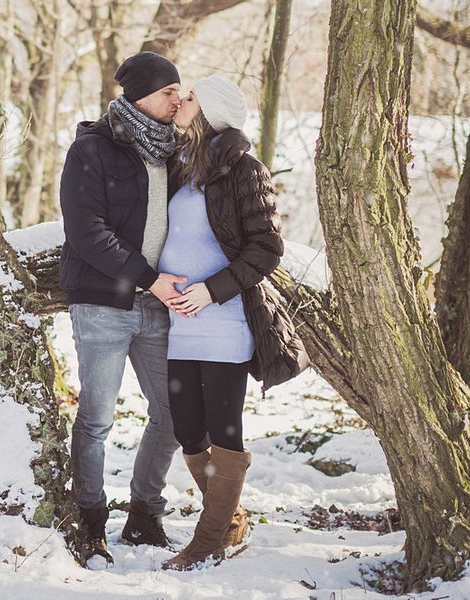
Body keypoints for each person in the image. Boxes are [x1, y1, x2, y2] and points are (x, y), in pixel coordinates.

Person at [157, 75, 309, 571]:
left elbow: (267, 248)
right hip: (182, 320)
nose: (181, 101)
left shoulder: (246, 169)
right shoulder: (181, 165)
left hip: (224, 319)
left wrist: (210, 290)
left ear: (212, 111)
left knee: (224, 430)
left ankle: (208, 541)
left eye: (191, 97)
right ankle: (231, 518)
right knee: (187, 427)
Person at [58, 51, 187, 566]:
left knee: (174, 415)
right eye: (167, 92)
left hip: (158, 307)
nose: (178, 99)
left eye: (180, 90)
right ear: (139, 98)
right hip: (103, 304)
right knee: (96, 418)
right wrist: (152, 280)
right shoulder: (93, 149)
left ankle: (144, 516)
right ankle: (91, 522)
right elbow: (86, 234)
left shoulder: (176, 151)